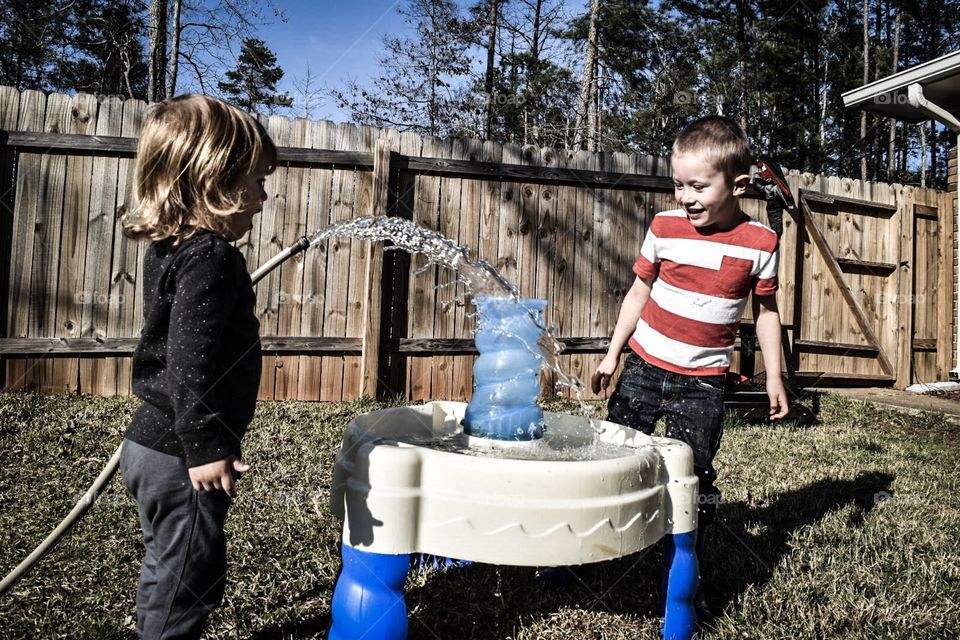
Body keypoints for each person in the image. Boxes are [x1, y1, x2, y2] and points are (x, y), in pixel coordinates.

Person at [591, 115, 790, 617]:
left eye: (699, 186)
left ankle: (682, 568)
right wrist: (615, 353)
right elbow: (639, 292)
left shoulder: (760, 242)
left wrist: (776, 375)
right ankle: (594, 552)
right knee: (613, 457)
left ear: (738, 185)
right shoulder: (664, 227)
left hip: (702, 383)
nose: (686, 196)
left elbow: (766, 313)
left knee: (692, 475)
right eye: (678, 184)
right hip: (643, 367)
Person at [118, 94, 275, 639]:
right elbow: (190, 361)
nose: (262, 195)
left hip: (151, 444)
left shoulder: (170, 248)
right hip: (182, 455)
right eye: (255, 180)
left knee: (167, 563)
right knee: (190, 573)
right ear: (214, 181)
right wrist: (207, 448)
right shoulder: (211, 256)